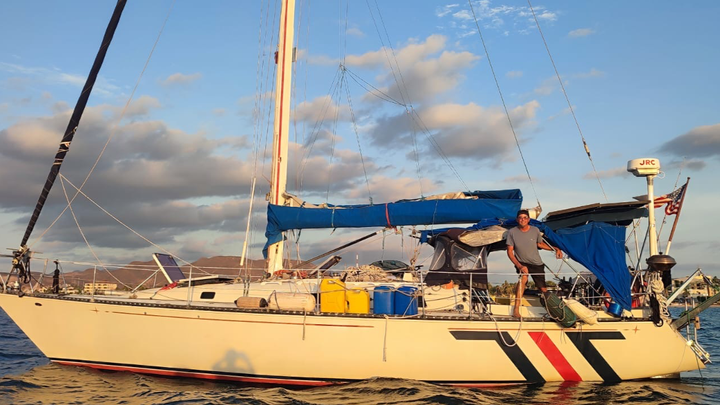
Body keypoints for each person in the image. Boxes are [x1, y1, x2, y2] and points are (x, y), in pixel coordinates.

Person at [506, 209, 563, 318]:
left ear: (528, 219)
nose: (522, 220)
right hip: (522, 262)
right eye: (520, 218)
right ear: (517, 220)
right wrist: (519, 266)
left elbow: (540, 244)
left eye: (525, 218)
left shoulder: (535, 230)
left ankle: (555, 311)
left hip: (536, 263)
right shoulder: (512, 232)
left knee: (543, 288)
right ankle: (516, 310)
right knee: (523, 279)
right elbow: (509, 252)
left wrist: (555, 248)